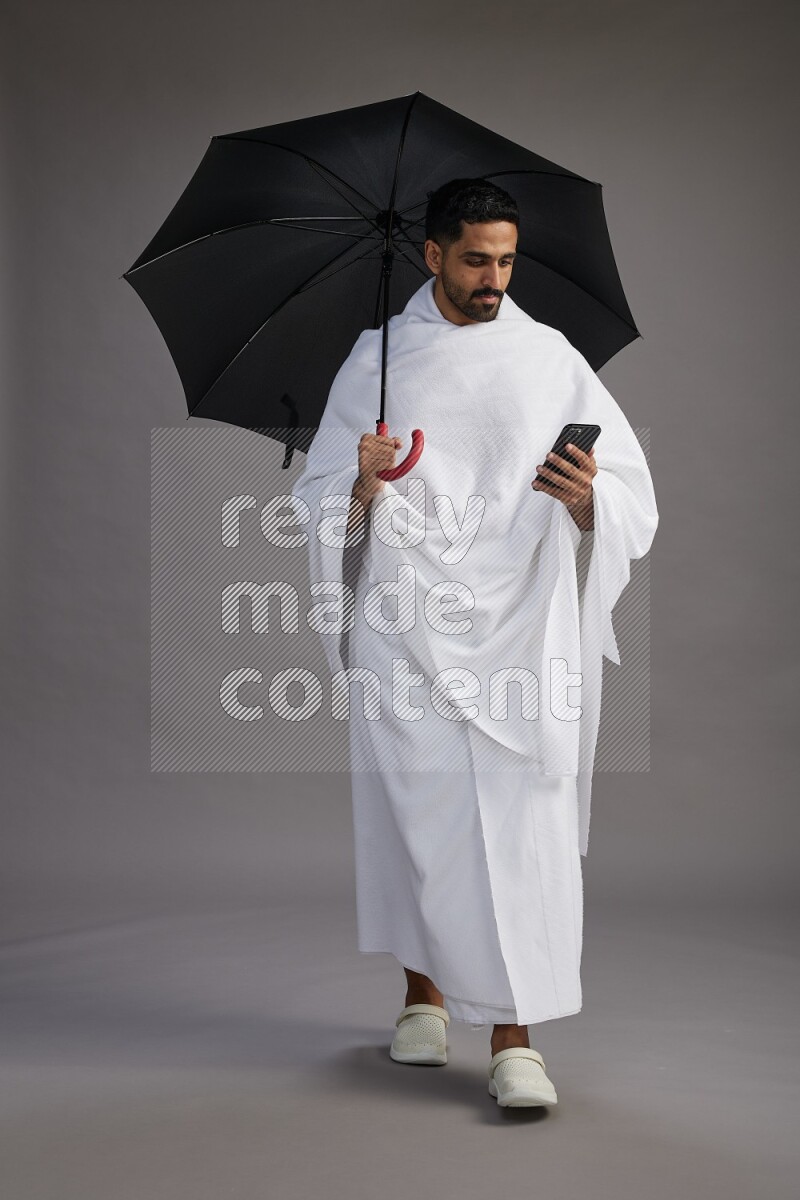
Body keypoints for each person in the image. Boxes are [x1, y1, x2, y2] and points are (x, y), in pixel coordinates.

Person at [291, 178, 657, 1107]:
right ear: (432, 256)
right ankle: (423, 995)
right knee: (420, 818)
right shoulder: (379, 358)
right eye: (475, 260)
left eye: (505, 259)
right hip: (405, 625)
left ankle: (516, 1038)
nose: (494, 278)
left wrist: (586, 502)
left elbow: (629, 493)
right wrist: (360, 484)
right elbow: (317, 494)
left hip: (521, 626)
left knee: (521, 824)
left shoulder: (549, 358)